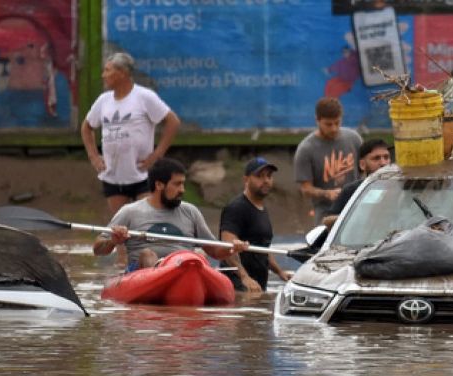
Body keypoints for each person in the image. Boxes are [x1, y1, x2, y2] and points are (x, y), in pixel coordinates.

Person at [93, 158, 248, 271]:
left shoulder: (191, 212)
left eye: (183, 184)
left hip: (183, 268)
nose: (182, 190)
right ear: (159, 185)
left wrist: (232, 248)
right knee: (147, 254)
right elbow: (98, 249)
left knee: (200, 255)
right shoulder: (130, 211)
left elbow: (215, 251)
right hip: (143, 271)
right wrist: (113, 241)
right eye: (177, 184)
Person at [81, 52, 181, 217]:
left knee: (146, 223)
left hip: (142, 175)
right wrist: (94, 156)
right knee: (121, 228)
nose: (103, 75)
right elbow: (86, 127)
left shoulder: (144, 96)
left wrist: (157, 154)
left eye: (107, 70)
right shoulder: (103, 100)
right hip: (113, 176)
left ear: (122, 73)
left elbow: (173, 122)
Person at [218, 157, 294, 293]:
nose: (266, 180)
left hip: (257, 286)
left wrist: (280, 272)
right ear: (246, 180)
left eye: (269, 176)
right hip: (237, 287)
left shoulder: (261, 208)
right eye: (259, 176)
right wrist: (245, 277)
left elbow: (263, 248)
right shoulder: (236, 208)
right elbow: (228, 247)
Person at [293, 96, 363, 225]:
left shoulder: (354, 139)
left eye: (337, 123)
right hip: (325, 213)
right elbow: (305, 189)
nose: (333, 128)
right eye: (328, 124)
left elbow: (364, 171)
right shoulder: (306, 149)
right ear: (317, 120)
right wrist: (327, 194)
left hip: (356, 208)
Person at [321, 138, 393, 228]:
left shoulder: (402, 187)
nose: (383, 163)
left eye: (386, 157)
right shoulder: (353, 190)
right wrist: (357, 216)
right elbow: (327, 220)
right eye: (376, 158)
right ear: (362, 165)